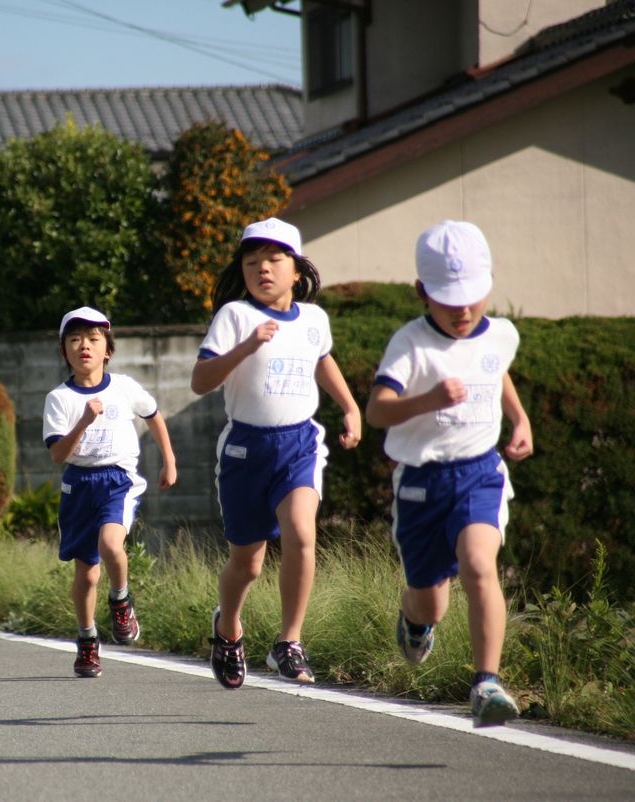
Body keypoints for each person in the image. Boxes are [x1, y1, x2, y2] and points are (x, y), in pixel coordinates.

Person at [365, 220, 533, 728]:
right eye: (447, 299)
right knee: (430, 602)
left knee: (481, 565)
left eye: (472, 297)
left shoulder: (501, 333)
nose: (462, 310)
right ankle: (415, 622)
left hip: (480, 472)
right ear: (421, 292)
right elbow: (377, 410)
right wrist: (428, 400)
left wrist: (520, 417)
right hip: (421, 483)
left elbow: (494, 367)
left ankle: (486, 683)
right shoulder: (410, 344)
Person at [191, 218, 361, 688]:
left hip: (299, 444)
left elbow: (322, 360)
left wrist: (350, 408)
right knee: (248, 563)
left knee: (302, 535)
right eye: (251, 262)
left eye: (273, 260)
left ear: (297, 269)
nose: (262, 269)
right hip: (246, 449)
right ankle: (227, 629)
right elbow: (201, 381)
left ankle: (288, 642)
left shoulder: (313, 320)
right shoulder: (234, 317)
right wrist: (246, 347)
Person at [42, 307, 178, 678]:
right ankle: (87, 640)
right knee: (86, 576)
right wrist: (84, 421)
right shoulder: (59, 399)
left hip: (119, 480)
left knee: (111, 545)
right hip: (79, 486)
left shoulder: (124, 387)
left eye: (93, 339)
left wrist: (169, 459)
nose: (83, 346)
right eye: (74, 340)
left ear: (107, 351)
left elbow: (153, 415)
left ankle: (121, 599)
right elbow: (58, 454)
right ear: (64, 351)